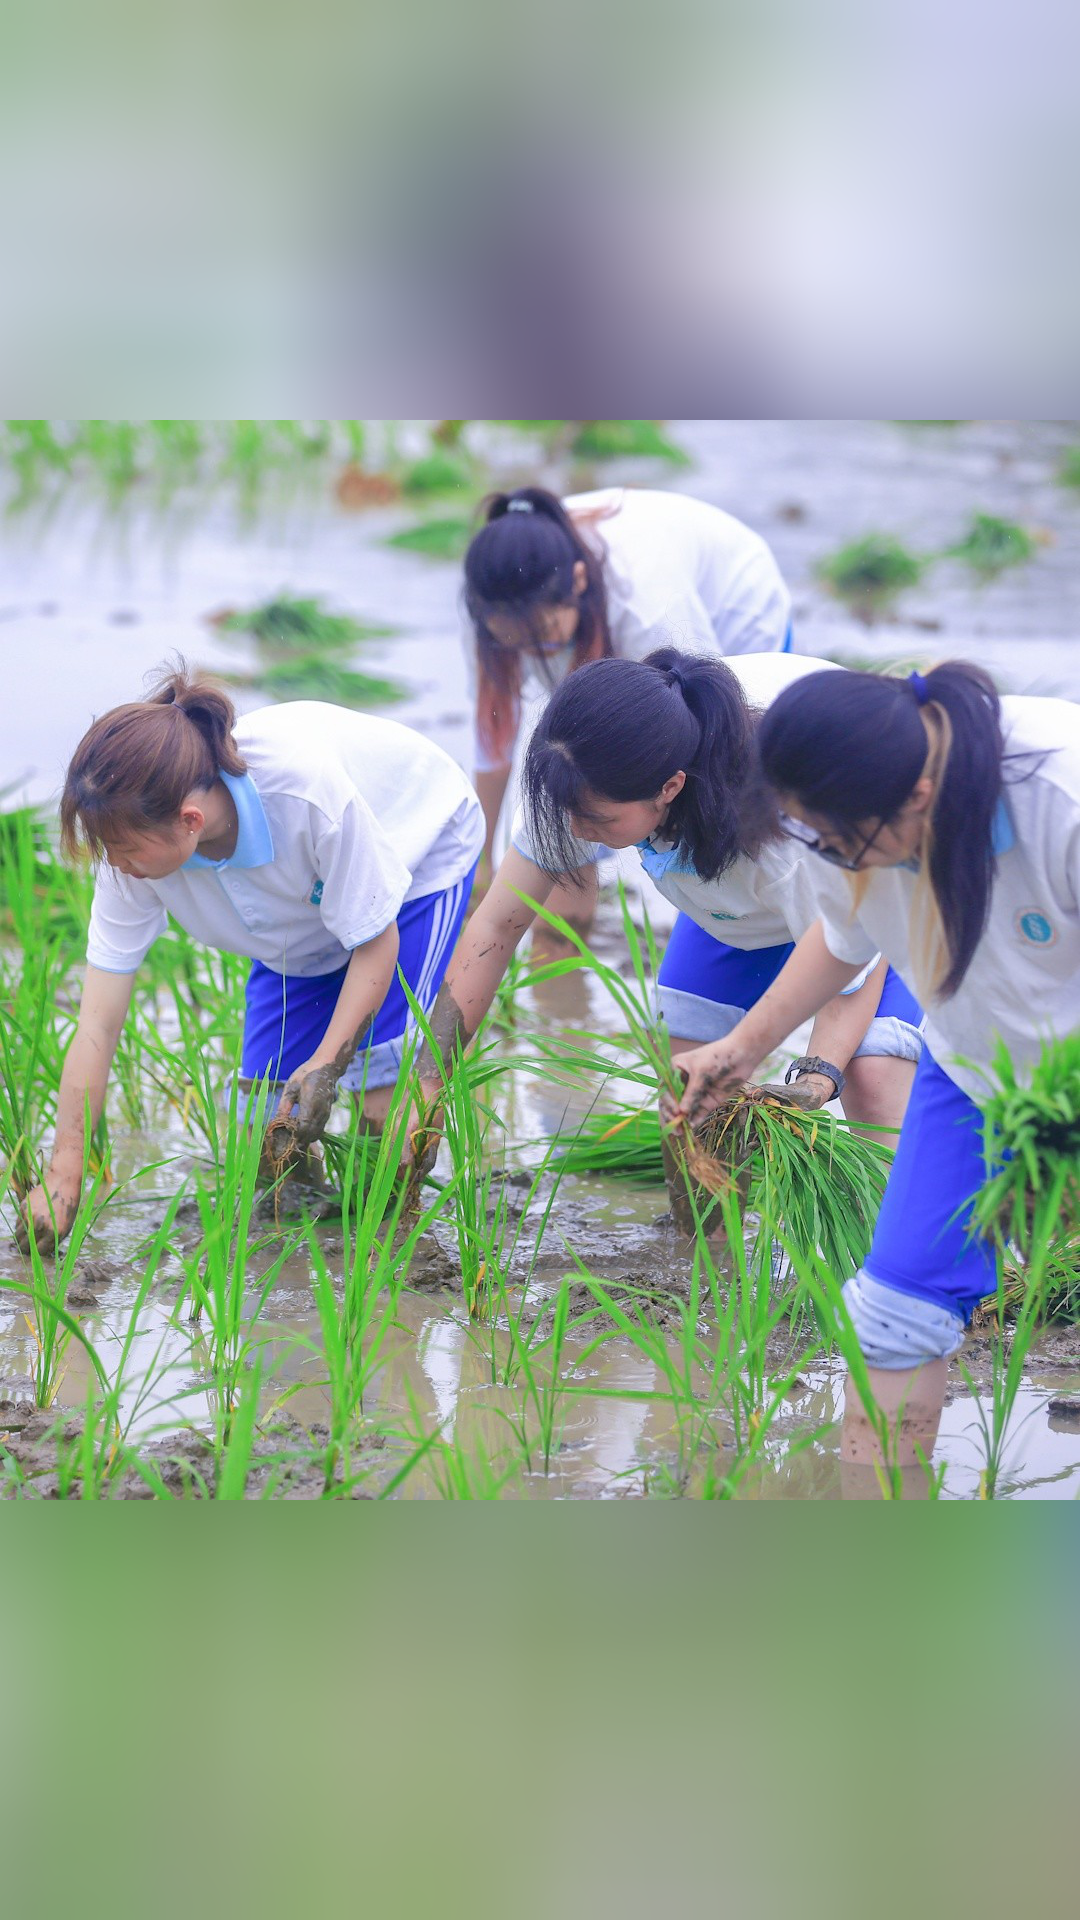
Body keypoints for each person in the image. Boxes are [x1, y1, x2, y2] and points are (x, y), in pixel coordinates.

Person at [665, 659, 1080, 1478]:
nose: (829, 858)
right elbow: (839, 936)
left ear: (920, 798)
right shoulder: (834, 816)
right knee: (891, 1314)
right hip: (973, 1070)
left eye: (844, 844)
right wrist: (743, 1047)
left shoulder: (1059, 800)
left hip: (1060, 1077)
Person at [18, 665, 484, 1251]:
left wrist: (326, 1063)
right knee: (268, 1130)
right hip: (304, 915)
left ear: (189, 822)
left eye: (124, 850)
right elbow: (97, 1020)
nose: (116, 864)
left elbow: (374, 942)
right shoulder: (132, 852)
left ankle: (389, 1241)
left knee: (382, 1098)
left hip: (415, 855)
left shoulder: (303, 793)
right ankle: (302, 1246)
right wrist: (64, 1170)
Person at [423, 646, 923, 1156]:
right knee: (693, 1098)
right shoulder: (577, 773)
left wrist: (815, 1080)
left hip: (882, 887)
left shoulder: (788, 826)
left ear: (669, 787)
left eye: (598, 819)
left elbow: (854, 947)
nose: (575, 832)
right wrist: (426, 1082)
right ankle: (701, 1238)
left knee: (873, 1080)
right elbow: (496, 928)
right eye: (568, 811)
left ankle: (895, 1233)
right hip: (739, 912)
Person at [463, 485, 793, 936]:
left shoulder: (647, 606)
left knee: (715, 809)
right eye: (513, 642)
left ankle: (735, 923)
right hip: (605, 613)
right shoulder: (487, 605)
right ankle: (566, 981)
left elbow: (699, 730)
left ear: (578, 581)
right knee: (576, 802)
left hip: (735, 614)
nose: (531, 653)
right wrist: (482, 861)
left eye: (542, 634)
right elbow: (493, 737)